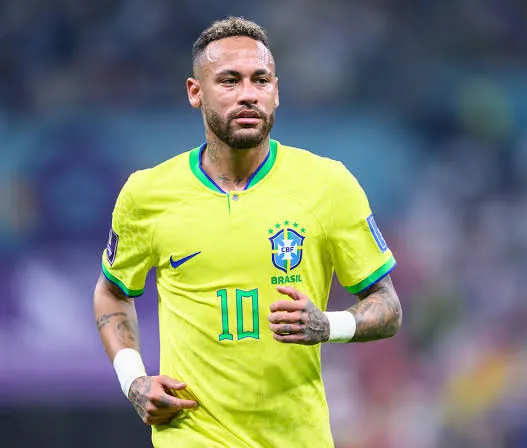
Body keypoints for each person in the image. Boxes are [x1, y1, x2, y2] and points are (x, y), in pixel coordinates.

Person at [93, 16, 402, 448]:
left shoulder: (329, 185)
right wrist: (132, 380)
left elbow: (387, 305)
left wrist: (327, 324)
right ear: (195, 93)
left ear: (276, 91)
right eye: (229, 81)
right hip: (191, 435)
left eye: (260, 80)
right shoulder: (147, 194)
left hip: (296, 437)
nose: (248, 95)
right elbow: (112, 291)